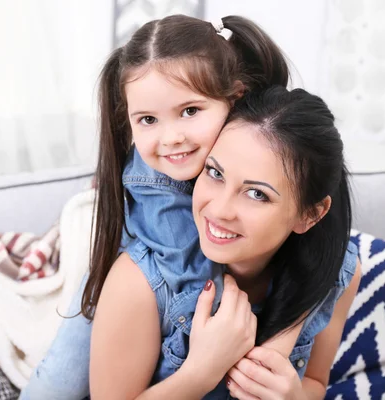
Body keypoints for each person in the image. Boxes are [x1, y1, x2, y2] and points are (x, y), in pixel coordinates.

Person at [21, 14, 290, 399]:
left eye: (190, 111)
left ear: (236, 97)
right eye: (147, 119)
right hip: (118, 289)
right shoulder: (158, 189)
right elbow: (200, 289)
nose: (171, 138)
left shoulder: (258, 152)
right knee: (56, 382)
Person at [90, 86, 361, 399]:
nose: (218, 210)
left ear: (310, 215)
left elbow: (315, 381)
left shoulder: (337, 275)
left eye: (257, 194)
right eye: (215, 173)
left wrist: (293, 396)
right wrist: (200, 373)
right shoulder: (140, 283)